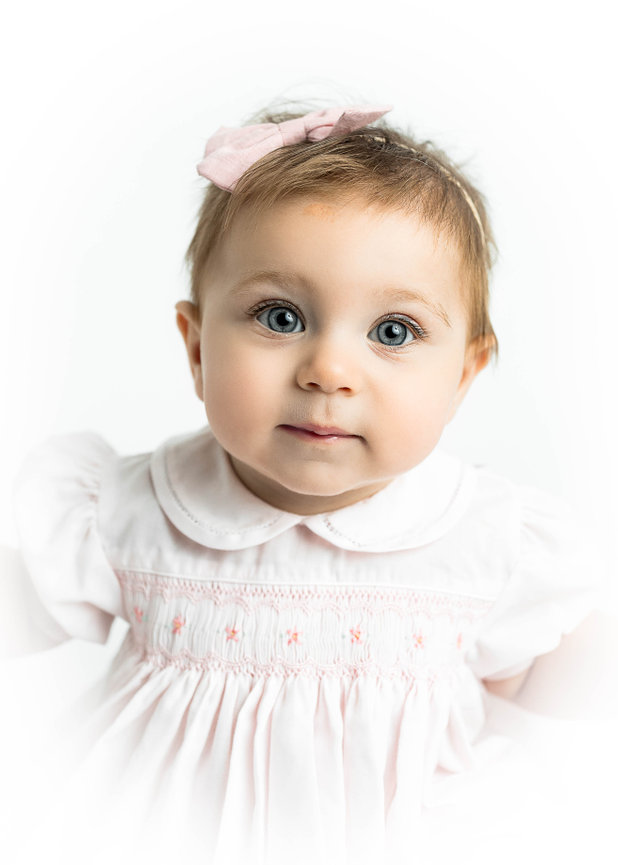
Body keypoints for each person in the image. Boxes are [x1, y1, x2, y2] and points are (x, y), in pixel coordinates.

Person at [2, 104, 611, 865]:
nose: (327, 369)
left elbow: (568, 676)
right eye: (280, 315)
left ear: (463, 375)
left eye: (394, 331)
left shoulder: (486, 543)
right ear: (196, 348)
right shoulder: (134, 510)